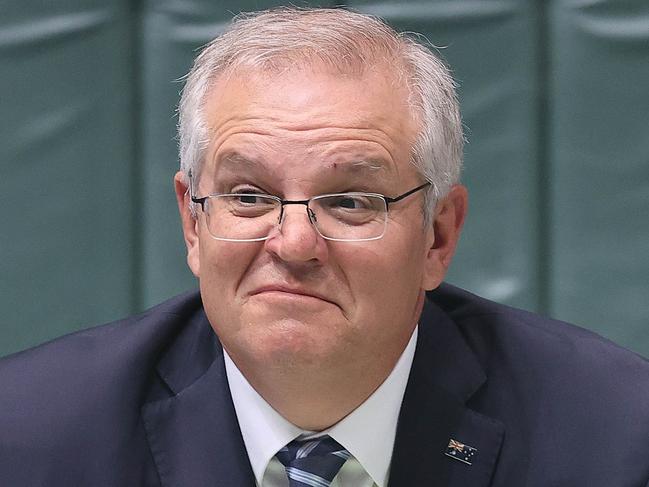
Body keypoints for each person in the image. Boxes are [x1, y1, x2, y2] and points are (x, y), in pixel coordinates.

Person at [1, 7, 648, 487]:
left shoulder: (616, 437)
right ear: (193, 225)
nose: (294, 242)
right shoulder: (29, 438)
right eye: (249, 195)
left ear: (437, 235)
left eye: (349, 201)